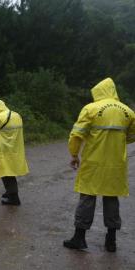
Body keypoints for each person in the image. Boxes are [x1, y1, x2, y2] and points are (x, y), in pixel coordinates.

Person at [63, 78, 135, 252]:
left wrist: (74, 154)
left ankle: (79, 238)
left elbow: (76, 135)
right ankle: (111, 241)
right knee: (112, 198)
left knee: (87, 197)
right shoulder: (128, 112)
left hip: (93, 163)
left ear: (98, 92)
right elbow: (132, 137)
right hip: (116, 164)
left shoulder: (91, 109)